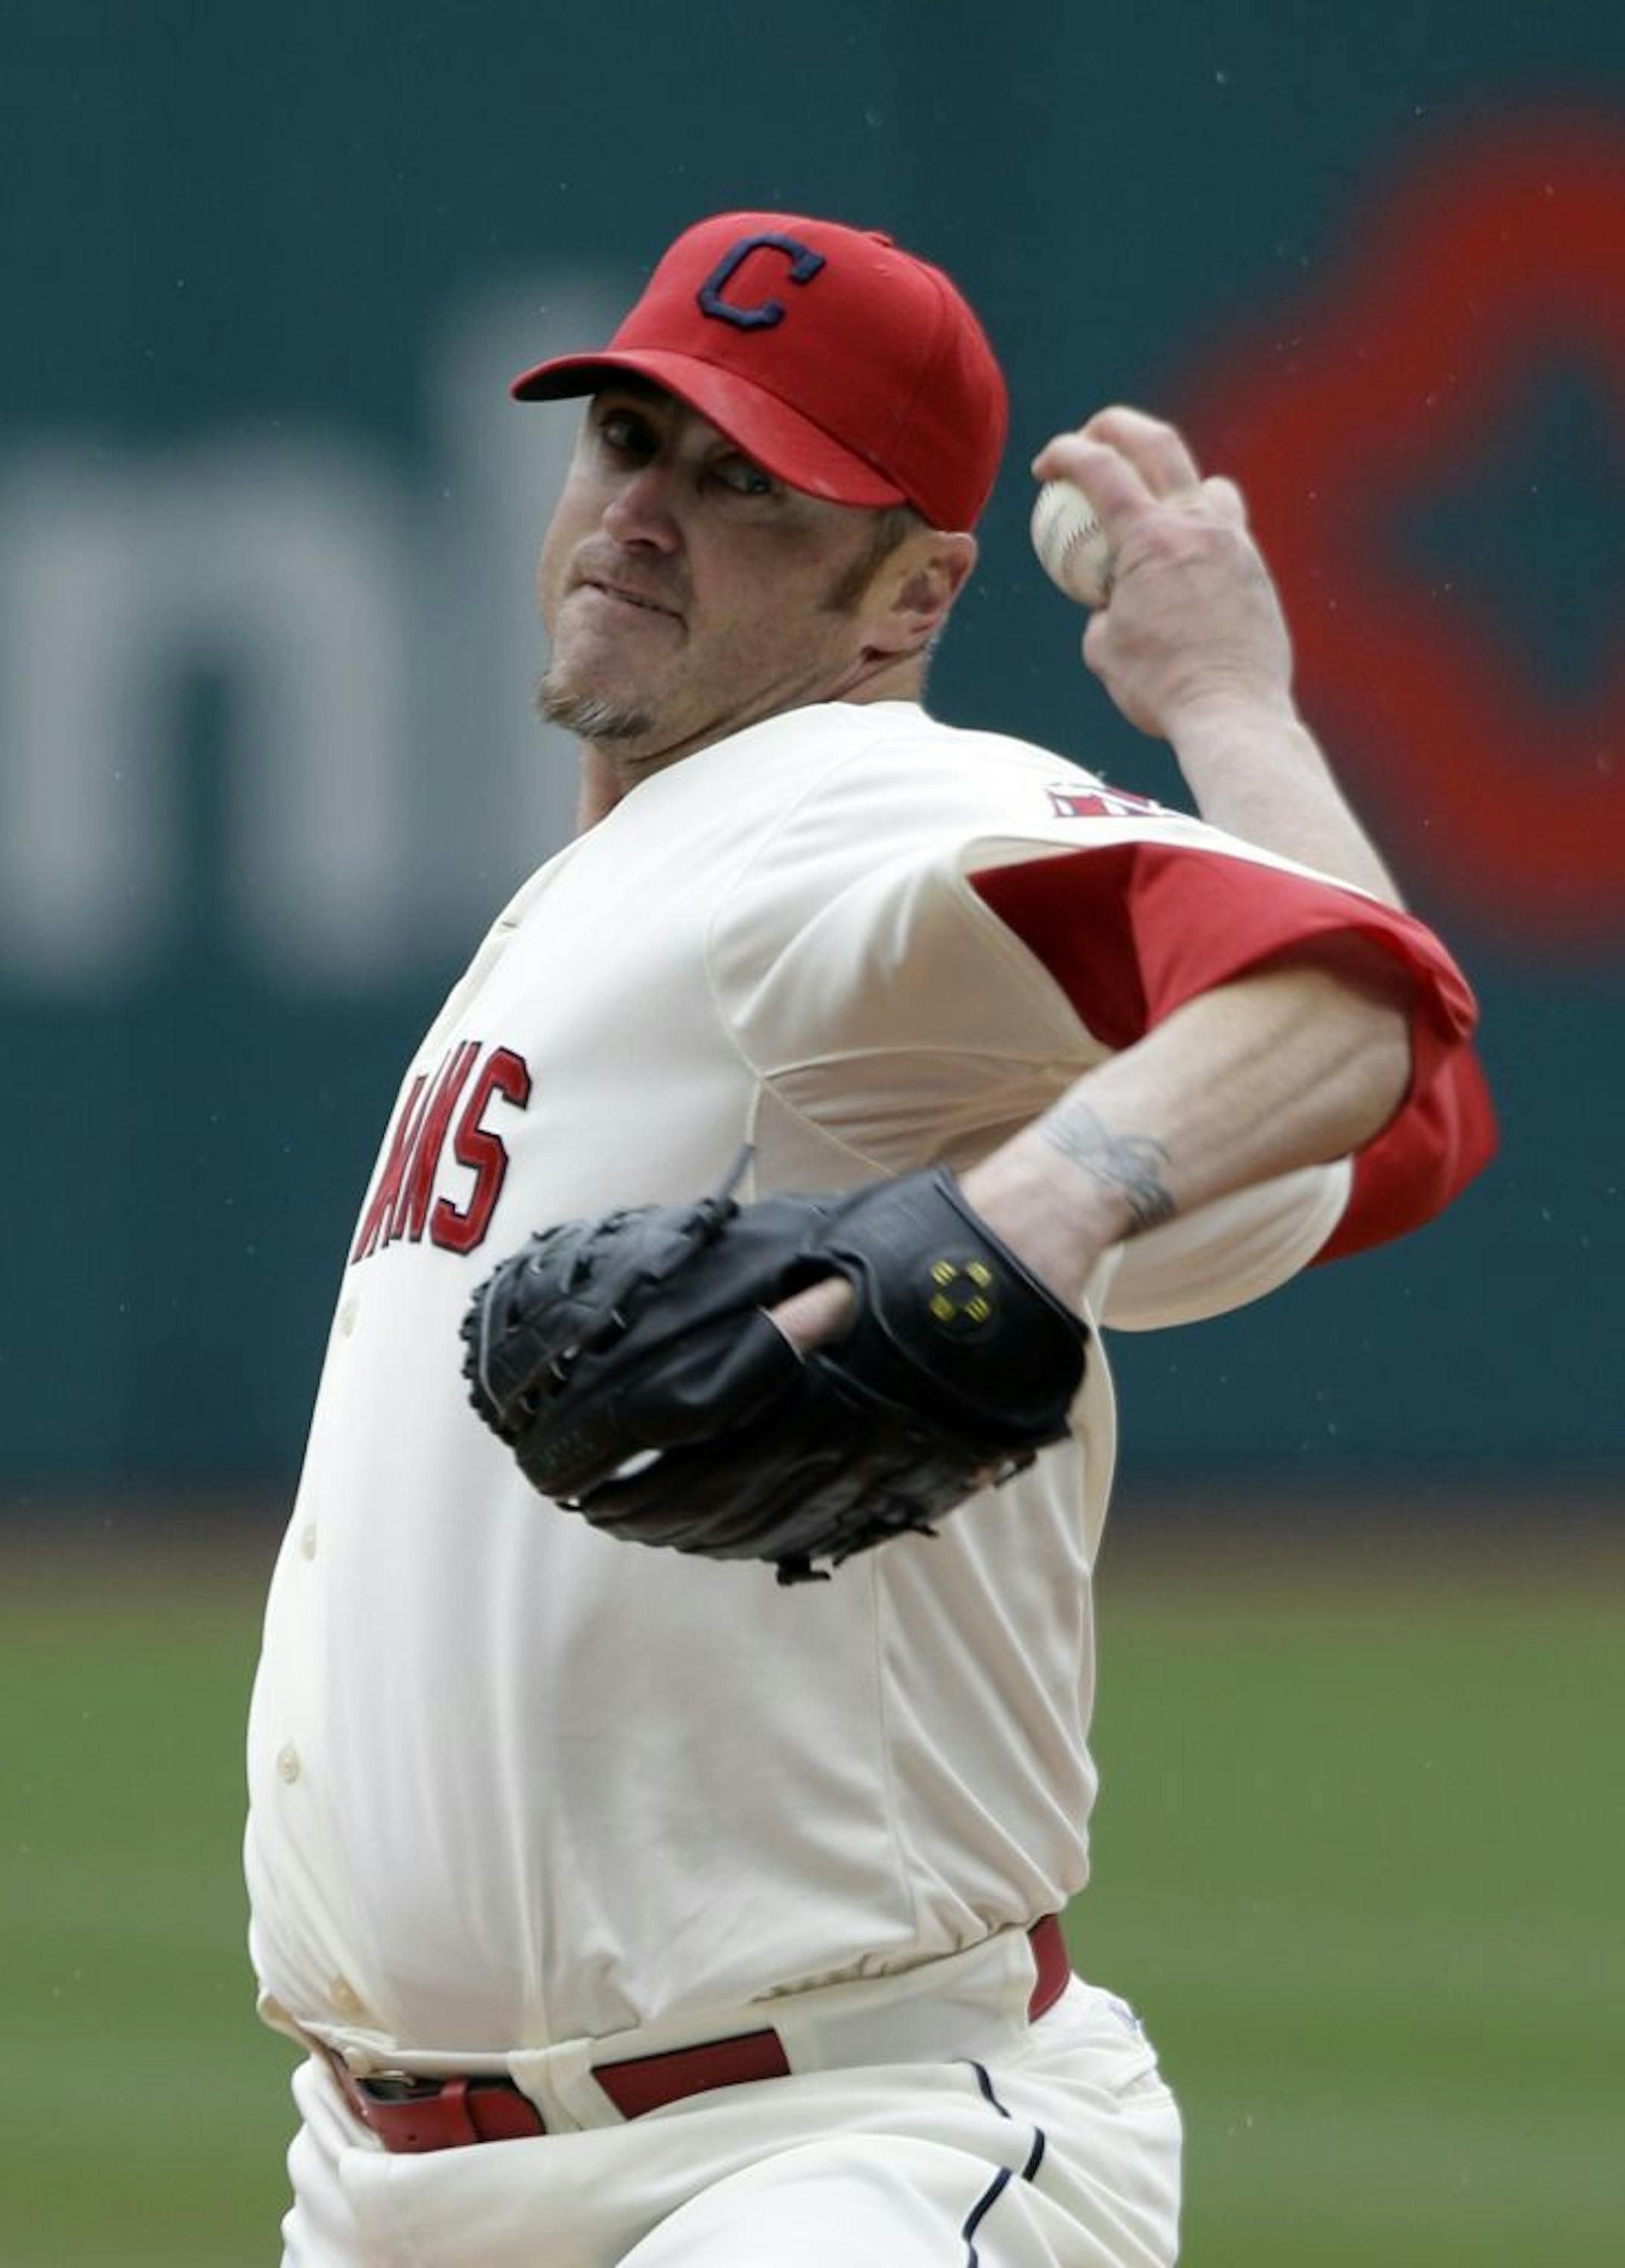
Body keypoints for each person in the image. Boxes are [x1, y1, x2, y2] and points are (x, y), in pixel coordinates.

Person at [245, 211, 1494, 2266]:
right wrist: (1229, 709)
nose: (647, 513)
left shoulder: (838, 810)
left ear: (906, 595)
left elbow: (1363, 1015)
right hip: (401, 2191)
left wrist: (1039, 1208)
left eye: (747, 480)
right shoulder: (627, 893)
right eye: (629, 438)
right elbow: (1404, 1130)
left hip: (828, 2156)